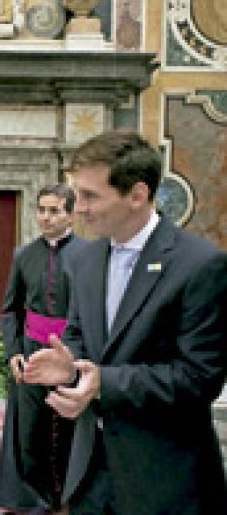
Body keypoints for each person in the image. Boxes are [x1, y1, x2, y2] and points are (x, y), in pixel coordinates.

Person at [23, 131, 227, 514]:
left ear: (137, 195)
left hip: (165, 482)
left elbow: (199, 379)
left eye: (90, 196)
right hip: (90, 479)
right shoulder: (84, 260)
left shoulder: (200, 265)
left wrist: (104, 382)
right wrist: (72, 370)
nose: (77, 207)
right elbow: (82, 337)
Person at [0, 184, 87, 514]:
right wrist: (13, 352)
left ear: (71, 214)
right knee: (30, 430)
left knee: (68, 430)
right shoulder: (23, 254)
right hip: (32, 353)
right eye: (42, 210)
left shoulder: (90, 255)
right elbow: (10, 310)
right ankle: (31, 501)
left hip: (71, 354)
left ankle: (67, 497)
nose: (45, 218)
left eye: (55, 211)